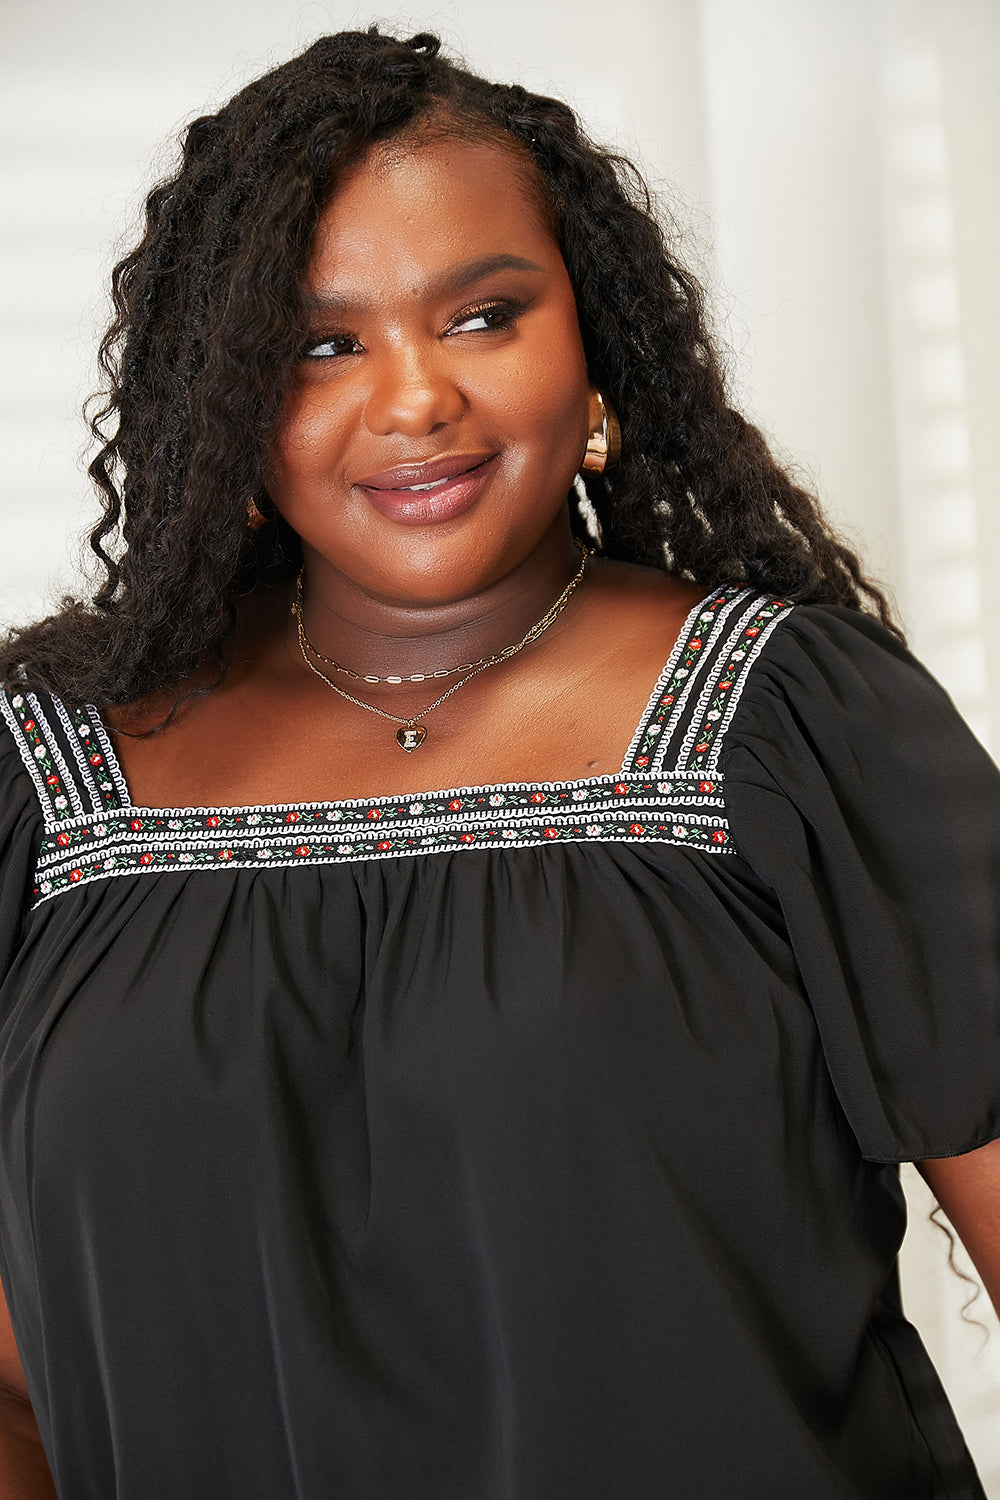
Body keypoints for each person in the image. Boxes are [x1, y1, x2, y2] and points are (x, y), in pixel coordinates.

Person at [0, 25, 998, 1499]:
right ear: (222, 402)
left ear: (593, 343)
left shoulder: (793, 721)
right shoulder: (46, 766)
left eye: (482, 316)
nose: (415, 401)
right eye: (320, 343)